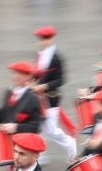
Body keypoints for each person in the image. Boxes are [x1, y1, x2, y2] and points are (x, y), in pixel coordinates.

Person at [31, 25, 77, 158]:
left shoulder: (57, 58)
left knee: (51, 130)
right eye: (39, 39)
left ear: (50, 39)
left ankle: (70, 143)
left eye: (43, 39)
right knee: (36, 126)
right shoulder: (39, 55)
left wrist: (44, 86)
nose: (40, 42)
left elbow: (61, 80)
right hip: (38, 98)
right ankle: (39, 154)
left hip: (51, 98)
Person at [0, 61, 43, 134]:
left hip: (21, 140)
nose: (15, 76)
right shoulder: (9, 93)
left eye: (20, 74)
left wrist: (17, 127)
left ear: (28, 77)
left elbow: (35, 126)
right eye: (14, 73)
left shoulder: (32, 98)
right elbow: (4, 112)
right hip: (6, 137)